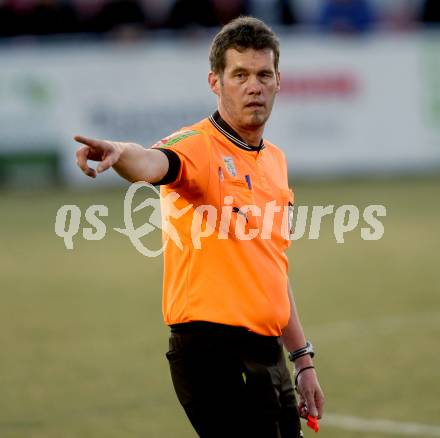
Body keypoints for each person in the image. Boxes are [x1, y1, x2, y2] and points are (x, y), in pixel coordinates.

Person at [75, 16, 324, 438]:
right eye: (240, 74)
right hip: (210, 352)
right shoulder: (197, 145)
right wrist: (120, 152)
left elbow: (274, 269)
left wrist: (302, 360)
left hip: (268, 354)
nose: (254, 86)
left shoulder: (275, 162)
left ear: (279, 81)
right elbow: (154, 163)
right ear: (215, 82)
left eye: (263, 74)